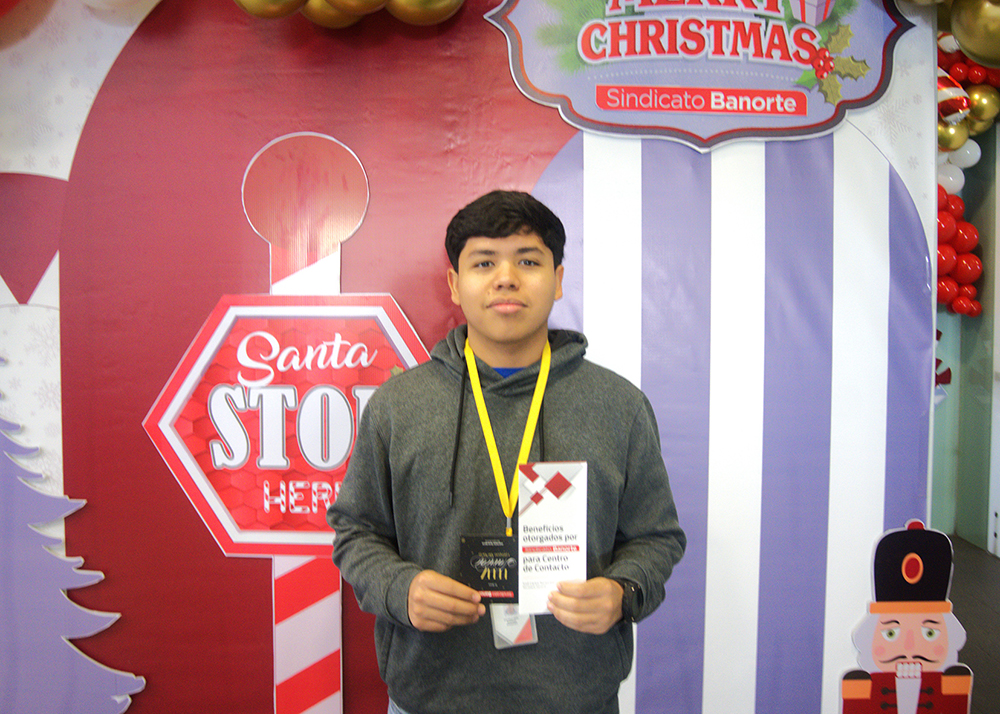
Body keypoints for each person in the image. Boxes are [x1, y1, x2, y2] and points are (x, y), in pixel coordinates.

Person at [328, 189, 686, 714]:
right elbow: (355, 531)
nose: (506, 278)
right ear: (455, 284)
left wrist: (624, 592)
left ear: (558, 279)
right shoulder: (398, 406)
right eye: (483, 262)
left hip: (575, 699)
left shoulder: (619, 406)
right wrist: (400, 589)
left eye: (528, 261)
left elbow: (656, 538)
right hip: (430, 696)